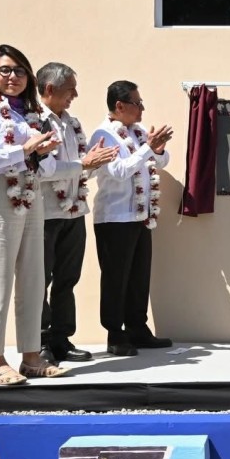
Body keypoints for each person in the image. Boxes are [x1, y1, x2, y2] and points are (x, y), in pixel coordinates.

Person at [0, 44, 68, 385]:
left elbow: (44, 167)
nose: (12, 76)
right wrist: (22, 150)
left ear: (29, 77)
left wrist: (43, 153)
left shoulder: (33, 115)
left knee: (34, 279)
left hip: (31, 195)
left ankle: (31, 357)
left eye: (19, 70)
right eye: (4, 70)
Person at [35, 62, 119, 365]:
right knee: (40, 281)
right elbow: (44, 171)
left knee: (67, 278)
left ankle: (61, 338)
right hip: (44, 214)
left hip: (74, 211)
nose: (75, 94)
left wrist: (94, 163)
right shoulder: (34, 122)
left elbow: (80, 171)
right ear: (50, 89)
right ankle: (40, 342)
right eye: (70, 89)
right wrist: (83, 165)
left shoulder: (72, 123)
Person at [90, 81, 174, 356]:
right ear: (119, 105)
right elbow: (119, 171)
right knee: (116, 278)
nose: (142, 109)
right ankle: (115, 334)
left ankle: (138, 329)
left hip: (140, 215)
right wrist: (148, 148)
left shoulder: (137, 132)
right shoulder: (103, 135)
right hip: (115, 218)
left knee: (139, 276)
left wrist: (157, 149)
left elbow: (159, 162)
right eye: (137, 103)